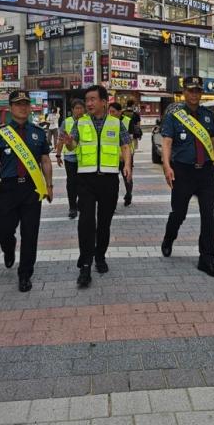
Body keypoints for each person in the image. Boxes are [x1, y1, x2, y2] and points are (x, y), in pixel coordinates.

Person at [61, 84, 132, 288]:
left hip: (109, 180)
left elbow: (125, 145)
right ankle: (85, 263)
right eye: (87, 100)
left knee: (104, 223)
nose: (89, 103)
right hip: (86, 179)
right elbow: (73, 145)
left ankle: (99, 256)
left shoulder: (116, 123)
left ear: (104, 101)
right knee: (86, 222)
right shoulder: (80, 122)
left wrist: (127, 165)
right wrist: (67, 142)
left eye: (93, 99)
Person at [0, 90, 53, 292]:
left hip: (32, 189)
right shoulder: (0, 133)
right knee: (3, 231)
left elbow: (46, 161)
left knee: (30, 234)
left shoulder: (38, 133)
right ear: (11, 108)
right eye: (18, 104)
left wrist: (49, 186)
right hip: (9, 189)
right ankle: (8, 249)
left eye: (25, 103)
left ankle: (25, 274)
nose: (23, 107)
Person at [160, 75, 214, 278]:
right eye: (190, 90)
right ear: (184, 92)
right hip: (183, 172)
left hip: (204, 172)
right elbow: (167, 142)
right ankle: (169, 238)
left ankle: (207, 259)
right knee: (179, 213)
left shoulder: (207, 115)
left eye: (197, 90)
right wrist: (167, 166)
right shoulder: (174, 115)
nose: (194, 94)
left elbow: (212, 141)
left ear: (201, 92)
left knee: (207, 216)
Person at [56, 99, 85, 219]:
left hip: (84, 158)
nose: (79, 110)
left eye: (81, 108)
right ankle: (72, 207)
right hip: (70, 158)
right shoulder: (66, 122)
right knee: (71, 183)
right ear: (72, 110)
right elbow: (60, 140)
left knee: (82, 183)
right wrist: (58, 155)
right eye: (76, 108)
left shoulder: (87, 122)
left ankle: (80, 203)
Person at [108, 101, 135, 206]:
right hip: (112, 156)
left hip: (126, 156)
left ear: (120, 112)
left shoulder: (128, 121)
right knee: (113, 182)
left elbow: (130, 139)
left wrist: (125, 155)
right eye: (109, 112)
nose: (111, 114)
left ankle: (129, 194)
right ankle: (112, 202)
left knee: (127, 178)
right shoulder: (108, 122)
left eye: (113, 112)